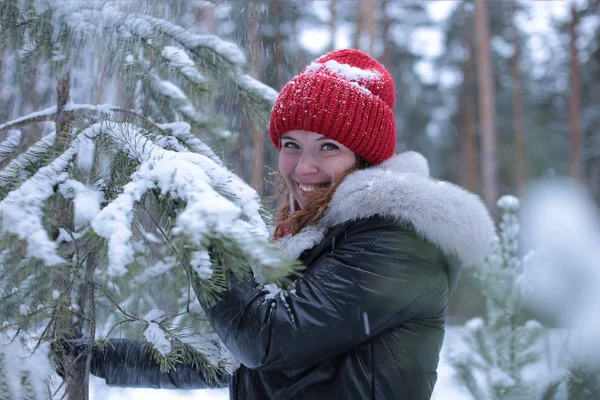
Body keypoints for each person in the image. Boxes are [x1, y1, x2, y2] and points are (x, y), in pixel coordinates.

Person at [59, 49, 495, 399]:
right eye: (291, 144)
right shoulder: (322, 238)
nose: (303, 167)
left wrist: (200, 222)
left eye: (327, 146)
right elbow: (240, 360)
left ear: (366, 158)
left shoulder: (397, 243)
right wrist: (93, 358)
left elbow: (264, 340)